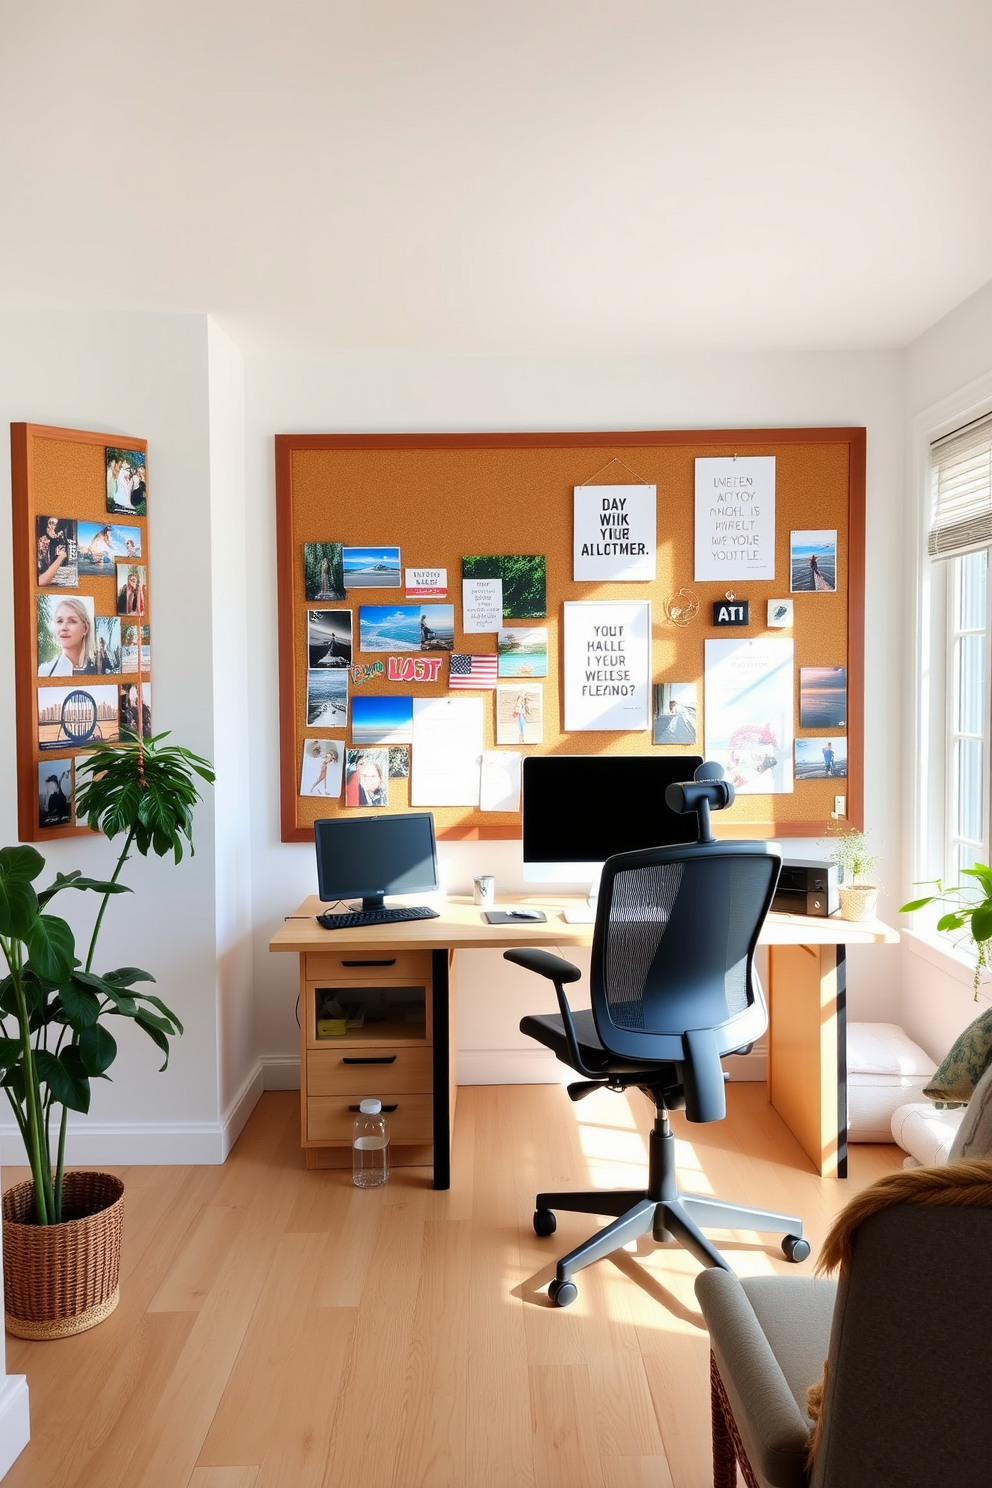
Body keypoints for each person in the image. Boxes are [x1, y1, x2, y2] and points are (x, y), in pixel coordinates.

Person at [39, 597, 96, 676]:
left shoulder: (99, 669)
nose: (63, 628)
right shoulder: (44, 671)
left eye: (72, 621)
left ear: (85, 629)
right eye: (59, 621)